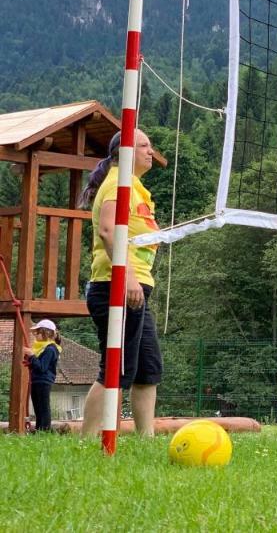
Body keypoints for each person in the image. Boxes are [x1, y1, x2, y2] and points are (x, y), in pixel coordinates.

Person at [79, 129, 163, 438]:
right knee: (116, 368)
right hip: (114, 286)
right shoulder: (117, 182)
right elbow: (108, 231)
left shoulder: (136, 187)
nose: (150, 151)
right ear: (123, 152)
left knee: (147, 368)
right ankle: (87, 440)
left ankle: (146, 440)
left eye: (151, 147)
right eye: (143, 145)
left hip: (137, 287)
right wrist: (126, 276)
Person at [24, 319, 62, 432]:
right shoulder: (41, 348)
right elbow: (37, 365)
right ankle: (39, 429)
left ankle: (44, 429)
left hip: (44, 381)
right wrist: (30, 360)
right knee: (37, 406)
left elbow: (42, 367)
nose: (35, 335)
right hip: (36, 380)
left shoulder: (50, 349)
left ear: (46, 333)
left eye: (38, 332)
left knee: (43, 407)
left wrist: (31, 356)